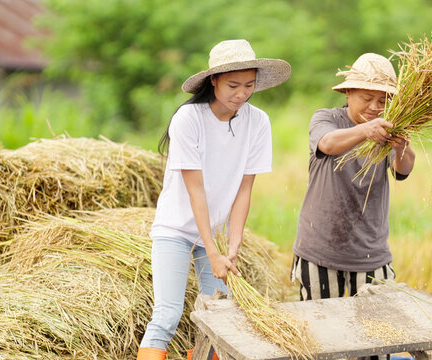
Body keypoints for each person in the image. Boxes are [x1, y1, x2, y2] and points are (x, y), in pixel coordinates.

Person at [137, 39, 291, 360]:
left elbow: (245, 189)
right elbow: (196, 189)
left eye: (249, 85)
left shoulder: (258, 121)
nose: (242, 93)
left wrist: (232, 246)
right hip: (176, 231)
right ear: (214, 80)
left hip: (217, 234)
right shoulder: (189, 119)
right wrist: (212, 249)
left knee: (218, 320)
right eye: (233, 85)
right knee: (167, 316)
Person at [291, 53, 415, 358]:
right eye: (366, 97)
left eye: (383, 100)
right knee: (323, 341)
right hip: (321, 249)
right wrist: (366, 131)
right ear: (348, 93)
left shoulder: (389, 129)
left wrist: (403, 147)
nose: (375, 107)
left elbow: (404, 170)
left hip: (371, 253)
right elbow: (328, 144)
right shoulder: (327, 119)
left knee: (378, 340)